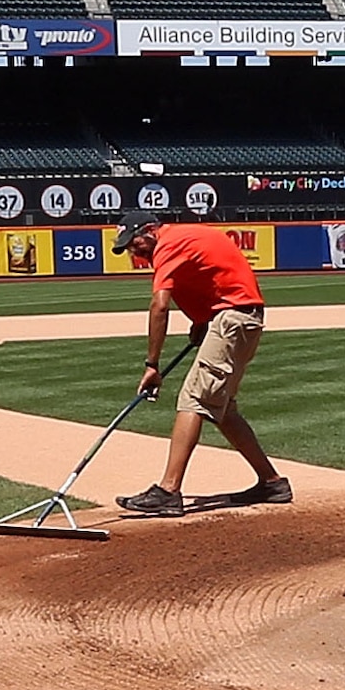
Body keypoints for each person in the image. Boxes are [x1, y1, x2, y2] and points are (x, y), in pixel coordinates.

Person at [115, 217, 285, 518]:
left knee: (193, 399)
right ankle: (272, 484)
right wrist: (202, 322)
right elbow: (213, 275)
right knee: (223, 410)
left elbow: (160, 306)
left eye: (135, 243)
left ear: (150, 231)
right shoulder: (182, 238)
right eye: (129, 248)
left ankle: (168, 491)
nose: (134, 252)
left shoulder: (167, 245)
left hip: (233, 318)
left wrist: (152, 365)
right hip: (237, 317)